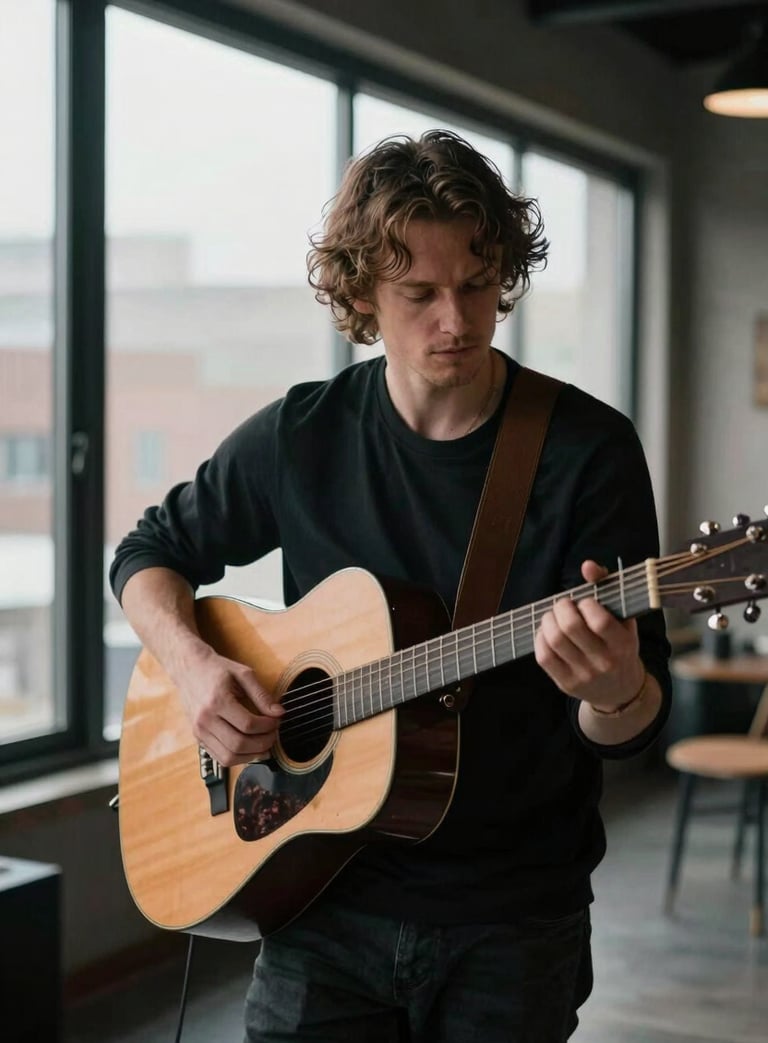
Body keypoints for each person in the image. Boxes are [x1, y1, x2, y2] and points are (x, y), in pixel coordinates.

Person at [110, 130, 671, 1043]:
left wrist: (611, 690)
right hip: (317, 899)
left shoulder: (586, 453)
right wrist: (197, 668)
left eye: (479, 286)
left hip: (511, 917)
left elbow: (638, 717)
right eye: (419, 294)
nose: (456, 319)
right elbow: (146, 554)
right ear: (363, 295)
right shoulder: (304, 434)